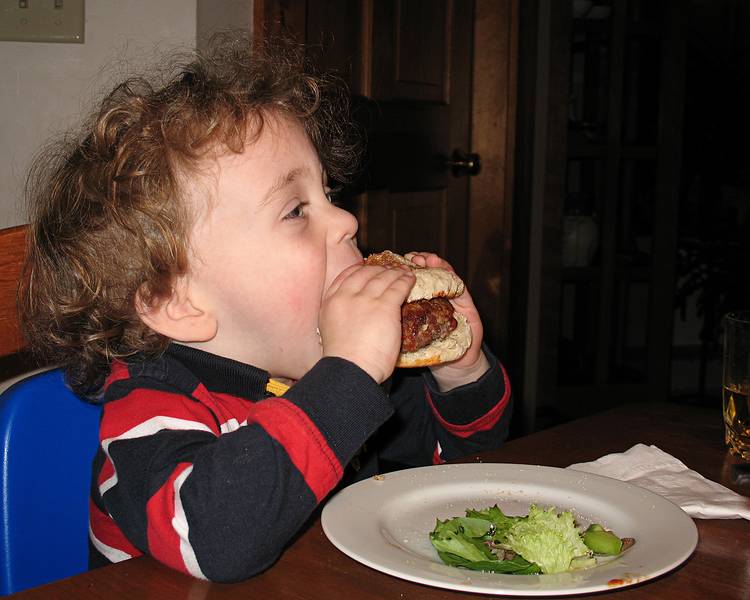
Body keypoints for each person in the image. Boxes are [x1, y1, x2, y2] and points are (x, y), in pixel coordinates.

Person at [19, 34, 512, 583]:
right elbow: (216, 540)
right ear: (178, 303)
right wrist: (347, 377)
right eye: (297, 210)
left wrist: (460, 371)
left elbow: (466, 467)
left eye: (329, 192)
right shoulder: (150, 409)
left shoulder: (337, 370)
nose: (347, 220)